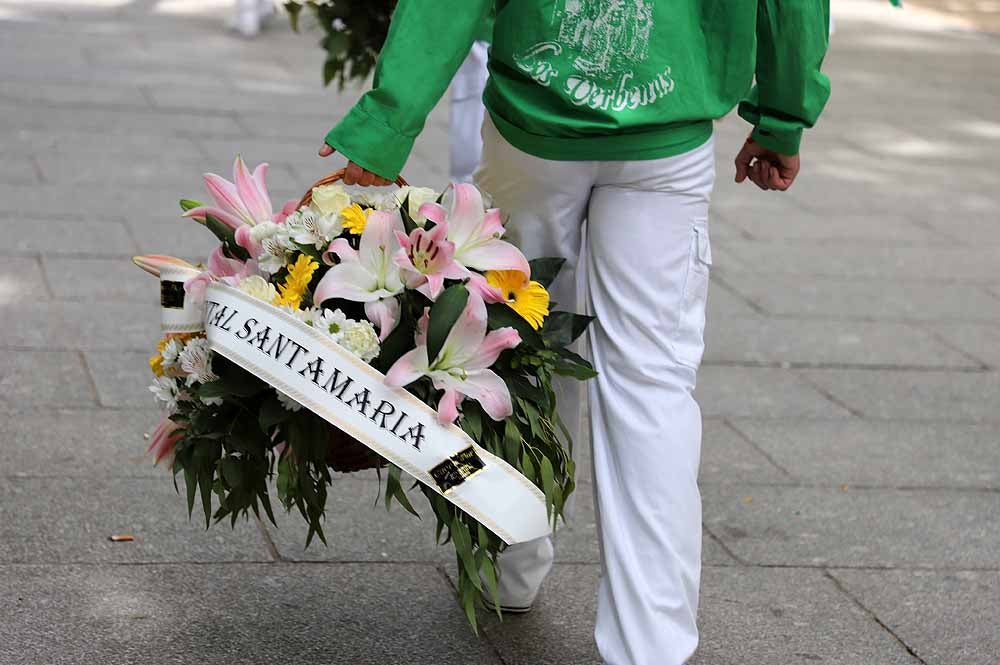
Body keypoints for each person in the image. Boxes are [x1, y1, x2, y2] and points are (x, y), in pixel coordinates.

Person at [318, 1, 830, 663]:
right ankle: (651, 642)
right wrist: (783, 112)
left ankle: (508, 560)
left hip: (539, 113)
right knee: (652, 382)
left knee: (516, 344)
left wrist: (390, 118)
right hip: (670, 120)